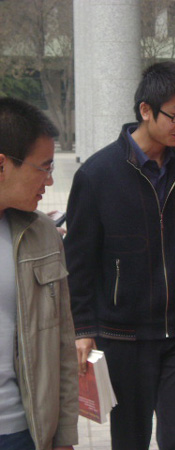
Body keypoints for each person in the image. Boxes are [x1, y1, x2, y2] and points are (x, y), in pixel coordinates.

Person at [65, 62, 175, 450]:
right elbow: (79, 262)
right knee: (130, 440)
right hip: (124, 336)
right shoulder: (98, 175)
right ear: (146, 110)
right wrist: (82, 329)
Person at [0, 97, 78, 450]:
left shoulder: (43, 235)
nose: (49, 180)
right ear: (2, 164)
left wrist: (64, 437)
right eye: (43, 168)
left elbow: (62, 344)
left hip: (24, 430)